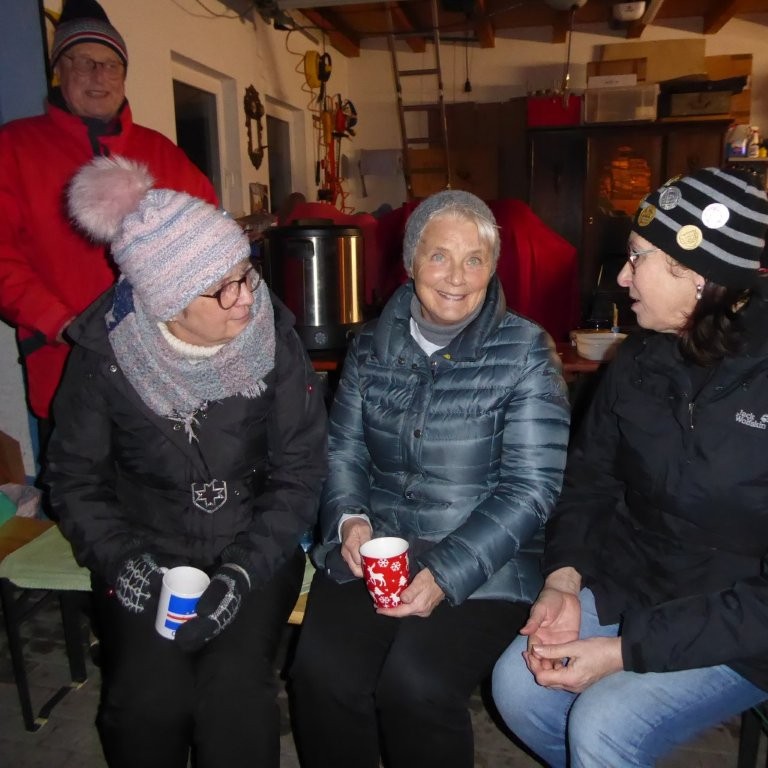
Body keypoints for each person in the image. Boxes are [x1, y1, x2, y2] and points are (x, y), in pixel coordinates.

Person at [43, 155, 327, 768]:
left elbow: (300, 471)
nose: (244, 298)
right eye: (221, 287)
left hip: (254, 549)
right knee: (145, 703)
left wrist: (244, 572)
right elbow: (74, 479)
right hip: (144, 550)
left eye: (246, 275)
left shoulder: (275, 343)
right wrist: (128, 566)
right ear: (167, 302)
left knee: (237, 700)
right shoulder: (105, 359)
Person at [491, 167, 768, 768]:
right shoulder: (639, 357)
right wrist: (564, 577)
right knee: (517, 685)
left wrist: (623, 651)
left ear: (697, 276)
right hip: (635, 583)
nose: (621, 277)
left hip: (741, 625)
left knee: (604, 722)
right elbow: (590, 478)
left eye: (637, 258)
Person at [290, 189, 571, 768]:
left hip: (486, 562)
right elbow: (342, 448)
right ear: (411, 260)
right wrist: (349, 519)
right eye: (440, 256)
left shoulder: (525, 351)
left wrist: (446, 573)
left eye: (475, 259)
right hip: (381, 548)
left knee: (414, 685)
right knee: (321, 676)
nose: (457, 277)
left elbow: (532, 488)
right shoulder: (369, 345)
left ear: (493, 267)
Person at [0, 0, 216, 445]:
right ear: (60, 69)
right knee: (84, 502)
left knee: (163, 503)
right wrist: (62, 323)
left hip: (162, 377)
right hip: (66, 366)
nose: (99, 75)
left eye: (111, 64)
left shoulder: (162, 153)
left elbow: (210, 245)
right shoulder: (14, 149)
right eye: (83, 62)